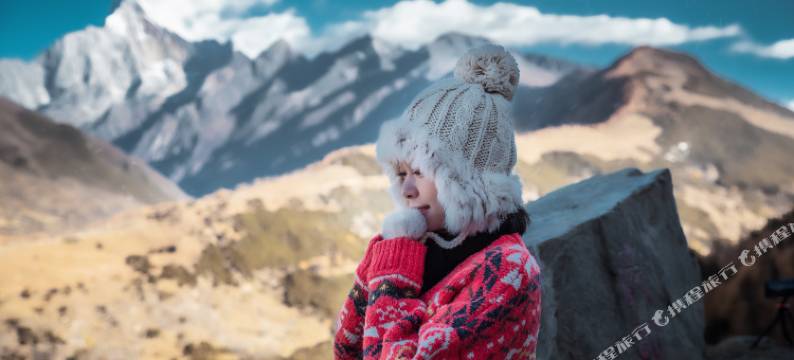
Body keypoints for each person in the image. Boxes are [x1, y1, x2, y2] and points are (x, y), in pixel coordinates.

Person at [333, 44, 542, 359]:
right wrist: (378, 263)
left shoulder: (507, 272)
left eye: (419, 171)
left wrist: (391, 275)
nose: (406, 190)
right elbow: (347, 348)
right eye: (400, 173)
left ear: (466, 181)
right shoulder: (422, 247)